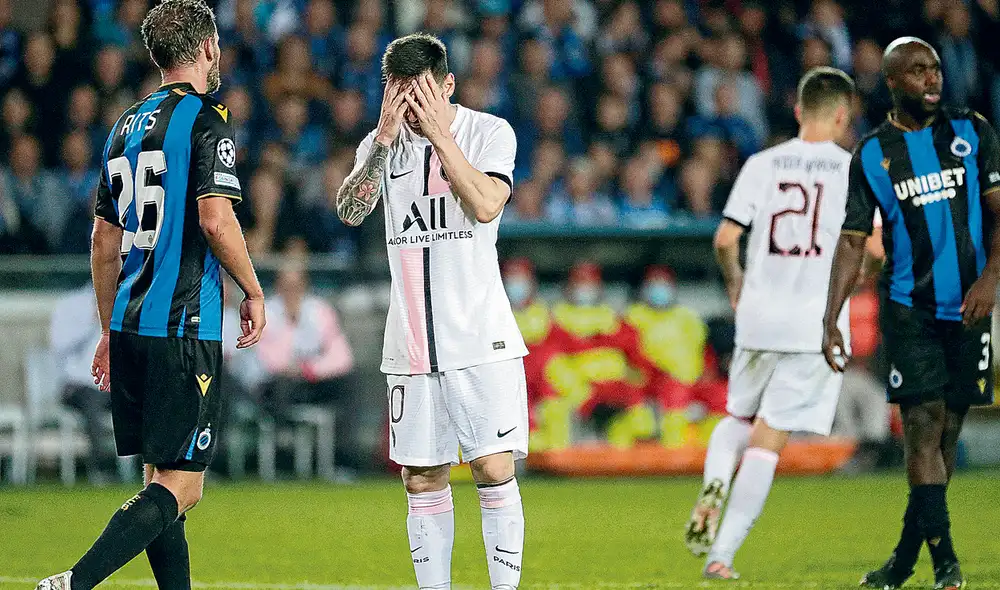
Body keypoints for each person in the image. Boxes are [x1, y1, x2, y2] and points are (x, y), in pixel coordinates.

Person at [36, 0, 265, 588]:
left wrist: (110, 327)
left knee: (161, 481)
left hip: (133, 325)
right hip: (184, 326)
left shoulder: (121, 126)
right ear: (208, 47)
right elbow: (216, 221)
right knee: (183, 486)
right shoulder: (207, 121)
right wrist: (253, 289)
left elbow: (102, 241)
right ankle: (74, 582)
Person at [335, 33, 527, 590]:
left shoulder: (488, 132)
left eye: (420, 94)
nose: (410, 107)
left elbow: (487, 204)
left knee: (493, 468)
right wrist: (384, 140)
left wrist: (442, 137)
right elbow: (350, 210)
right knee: (421, 478)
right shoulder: (380, 143)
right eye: (398, 94)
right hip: (412, 345)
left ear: (447, 86)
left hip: (480, 336)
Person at [822, 37, 1000, 590]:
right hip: (908, 309)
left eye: (936, 68)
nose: (932, 78)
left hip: (970, 308)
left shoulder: (972, 131)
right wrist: (830, 315)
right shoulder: (872, 154)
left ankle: (902, 560)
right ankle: (947, 567)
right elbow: (853, 241)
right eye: (918, 70)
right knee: (921, 428)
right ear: (894, 83)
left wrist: (992, 278)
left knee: (947, 435)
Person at [683, 66, 858, 580]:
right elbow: (870, 248)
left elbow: (723, 239)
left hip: (758, 316)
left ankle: (715, 480)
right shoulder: (853, 169)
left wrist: (736, 283)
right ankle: (723, 555)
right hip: (814, 325)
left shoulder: (762, 163)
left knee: (738, 419)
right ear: (843, 116)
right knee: (769, 439)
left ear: (799, 111)